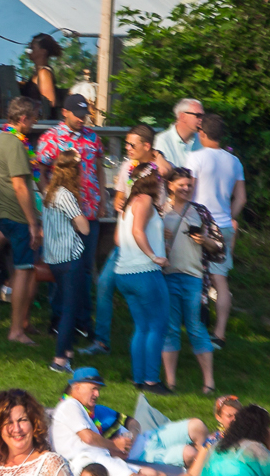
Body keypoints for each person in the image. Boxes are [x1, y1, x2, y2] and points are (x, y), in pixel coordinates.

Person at [35, 95, 107, 351]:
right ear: (64, 112)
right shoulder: (51, 138)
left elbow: (98, 166)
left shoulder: (92, 137)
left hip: (89, 210)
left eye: (84, 113)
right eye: (77, 113)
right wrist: (48, 196)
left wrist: (103, 196)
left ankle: (82, 320)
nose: (81, 117)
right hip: (65, 213)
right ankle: (59, 318)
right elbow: (39, 169)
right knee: (62, 266)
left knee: (86, 268)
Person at [51, 368, 166, 476]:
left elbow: (86, 441)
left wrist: (114, 450)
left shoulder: (81, 410)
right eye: (93, 389)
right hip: (89, 461)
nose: (97, 394)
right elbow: (88, 438)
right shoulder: (70, 405)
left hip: (100, 457)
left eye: (98, 390)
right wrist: (115, 445)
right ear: (77, 387)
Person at [0, 96, 43, 347]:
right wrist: (33, 222)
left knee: (27, 270)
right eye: (33, 119)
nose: (34, 124)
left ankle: (23, 323)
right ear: (23, 119)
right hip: (18, 216)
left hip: (4, 212)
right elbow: (20, 185)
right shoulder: (14, 143)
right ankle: (16, 330)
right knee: (23, 271)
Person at [158, 167, 217, 392]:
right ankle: (171, 383)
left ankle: (209, 383)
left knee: (196, 327)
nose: (186, 188)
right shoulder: (160, 211)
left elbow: (217, 246)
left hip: (194, 277)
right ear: (170, 185)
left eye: (189, 185)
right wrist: (159, 235)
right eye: (181, 185)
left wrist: (204, 240)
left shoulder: (200, 212)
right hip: (167, 276)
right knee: (170, 328)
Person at [114, 172, 172, 393]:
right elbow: (138, 231)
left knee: (142, 327)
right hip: (145, 272)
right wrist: (153, 256)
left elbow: (120, 239)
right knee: (158, 326)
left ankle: (138, 379)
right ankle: (151, 381)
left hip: (124, 272)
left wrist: (157, 235)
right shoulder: (146, 200)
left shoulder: (129, 204)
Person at [190, 114, 246, 343]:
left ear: (202, 133)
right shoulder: (234, 161)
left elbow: (188, 192)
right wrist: (228, 217)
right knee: (220, 281)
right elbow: (241, 198)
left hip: (200, 224)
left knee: (194, 276)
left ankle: (195, 326)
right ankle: (220, 334)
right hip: (223, 225)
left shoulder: (195, 158)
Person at [42, 150, 92, 375]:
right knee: (70, 310)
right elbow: (84, 227)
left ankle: (68, 353)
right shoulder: (66, 195)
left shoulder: (49, 193)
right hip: (70, 259)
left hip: (54, 259)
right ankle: (59, 359)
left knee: (65, 306)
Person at [154, 98, 204, 172]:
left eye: (203, 116)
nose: (201, 119)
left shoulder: (202, 140)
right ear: (182, 116)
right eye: (198, 115)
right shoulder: (163, 140)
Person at [21, 34, 61, 114]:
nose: (29, 51)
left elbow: (49, 103)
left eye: (32, 48)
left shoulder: (44, 73)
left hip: (40, 124)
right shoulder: (36, 73)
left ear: (43, 52)